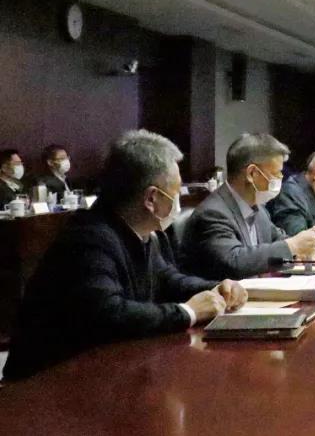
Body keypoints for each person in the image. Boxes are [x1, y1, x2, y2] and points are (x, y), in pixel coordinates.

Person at [2, 130, 246, 380]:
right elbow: (109, 314)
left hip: (99, 375)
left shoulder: (138, 231)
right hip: (43, 386)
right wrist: (188, 312)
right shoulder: (89, 239)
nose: (178, 200)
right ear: (151, 198)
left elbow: (166, 279)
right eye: (176, 192)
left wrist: (216, 289)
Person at [180, 134, 315, 280]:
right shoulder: (213, 213)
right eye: (276, 173)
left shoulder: (259, 210)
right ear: (252, 173)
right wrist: (292, 246)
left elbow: (279, 241)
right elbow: (234, 262)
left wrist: (300, 251)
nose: (281, 177)